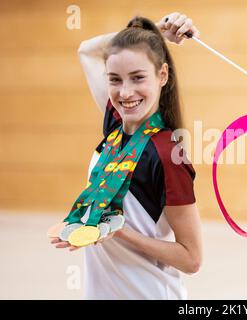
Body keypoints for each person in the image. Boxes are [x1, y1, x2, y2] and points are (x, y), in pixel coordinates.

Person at [50, 12, 202, 300]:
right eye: (115, 79)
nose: (125, 92)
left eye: (137, 77)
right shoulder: (115, 127)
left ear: (162, 75)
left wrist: (114, 230)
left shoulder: (169, 155)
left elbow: (191, 258)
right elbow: (87, 49)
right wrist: (153, 32)